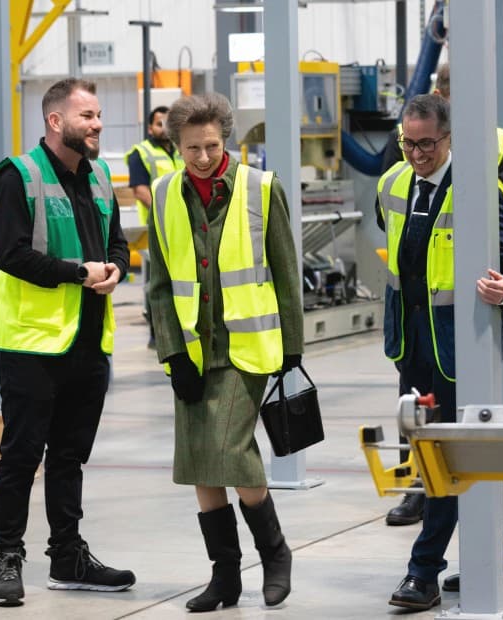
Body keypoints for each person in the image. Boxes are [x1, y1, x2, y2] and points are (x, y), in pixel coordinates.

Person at [147, 92, 304, 612]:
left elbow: (285, 273)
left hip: (248, 347)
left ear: (226, 141)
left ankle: (275, 554)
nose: (203, 157)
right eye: (192, 148)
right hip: (192, 351)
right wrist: (172, 355)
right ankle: (225, 578)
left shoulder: (261, 189)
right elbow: (159, 285)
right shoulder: (166, 194)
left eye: (212, 146)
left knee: (230, 452)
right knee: (199, 465)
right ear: (176, 146)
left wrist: (294, 349)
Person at [380, 94, 503, 611]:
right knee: (433, 460)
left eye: (428, 144)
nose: (418, 154)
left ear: (449, 139)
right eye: (409, 143)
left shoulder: (475, 191)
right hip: (412, 349)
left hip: (456, 357)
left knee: (445, 464)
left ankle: (422, 572)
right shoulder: (392, 185)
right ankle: (502, 552)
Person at [0, 78, 135, 606]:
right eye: (87, 116)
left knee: (70, 455)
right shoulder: (18, 177)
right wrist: (77, 272)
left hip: (89, 341)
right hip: (32, 344)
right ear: (56, 122)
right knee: (21, 456)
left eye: (97, 116)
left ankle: (68, 557)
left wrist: (117, 267)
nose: (97, 124)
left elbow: (117, 243)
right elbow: (11, 255)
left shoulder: (98, 177)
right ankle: (6, 558)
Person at [125, 105, 185, 348]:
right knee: (156, 281)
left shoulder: (182, 150)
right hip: (155, 228)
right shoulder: (140, 153)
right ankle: (156, 331)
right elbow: (140, 191)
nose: (165, 128)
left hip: (183, 226)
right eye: (160, 123)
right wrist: (166, 213)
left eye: (169, 123)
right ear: (150, 127)